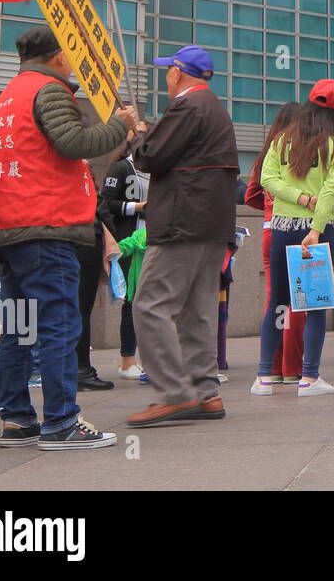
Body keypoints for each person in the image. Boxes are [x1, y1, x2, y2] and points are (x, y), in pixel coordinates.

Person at [0, 26, 135, 448]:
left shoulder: (4, 100)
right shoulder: (47, 90)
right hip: (45, 226)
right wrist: (119, 126)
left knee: (19, 328)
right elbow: (71, 142)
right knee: (59, 325)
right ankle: (62, 422)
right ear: (59, 56)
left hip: (7, 228)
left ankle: (17, 419)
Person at [127, 45, 239, 427]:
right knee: (197, 311)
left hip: (182, 221)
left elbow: (150, 158)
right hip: (211, 224)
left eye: (167, 71)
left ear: (177, 72)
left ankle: (175, 392)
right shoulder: (214, 108)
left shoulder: (187, 106)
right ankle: (205, 392)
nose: (165, 78)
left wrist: (137, 136)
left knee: (149, 304)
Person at [254, 80, 334, 397]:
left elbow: (267, 179)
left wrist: (295, 197)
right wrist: (316, 227)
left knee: (278, 301)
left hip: (281, 227)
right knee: (314, 306)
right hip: (316, 231)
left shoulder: (282, 140)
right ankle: (309, 378)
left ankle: (264, 377)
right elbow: (330, 191)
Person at [244, 102, 305, 384]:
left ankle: (273, 367)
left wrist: (269, 209)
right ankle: (293, 368)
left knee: (275, 300)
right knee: (298, 301)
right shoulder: (302, 154)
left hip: (270, 230)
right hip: (297, 228)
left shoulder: (267, 151)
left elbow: (250, 194)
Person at [101, 139, 148, 380]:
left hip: (153, 242)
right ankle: (127, 359)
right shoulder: (121, 168)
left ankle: (146, 360)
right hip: (130, 243)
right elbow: (106, 202)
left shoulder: (156, 170)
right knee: (132, 301)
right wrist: (137, 207)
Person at [75, 164, 119, 391]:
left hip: (54, 242)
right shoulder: (84, 177)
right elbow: (103, 213)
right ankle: (82, 369)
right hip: (86, 242)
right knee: (82, 309)